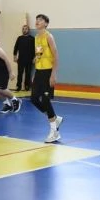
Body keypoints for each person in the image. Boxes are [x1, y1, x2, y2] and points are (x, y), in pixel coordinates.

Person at [31, 14, 63, 143]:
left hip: (48, 72)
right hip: (39, 72)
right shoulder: (37, 37)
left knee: (45, 100)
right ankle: (54, 117)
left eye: (40, 20)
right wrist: (36, 68)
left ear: (46, 23)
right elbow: (39, 53)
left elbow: (56, 55)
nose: (37, 21)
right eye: (36, 20)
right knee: (34, 99)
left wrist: (53, 74)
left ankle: (54, 132)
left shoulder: (49, 37)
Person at [12, 24, 35, 91]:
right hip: (21, 59)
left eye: (26, 29)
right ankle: (18, 86)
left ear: (28, 30)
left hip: (29, 59)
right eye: (23, 29)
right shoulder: (19, 38)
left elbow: (34, 49)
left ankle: (27, 86)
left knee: (28, 74)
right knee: (20, 73)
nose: (24, 30)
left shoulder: (32, 38)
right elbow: (16, 48)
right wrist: (15, 56)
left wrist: (34, 58)